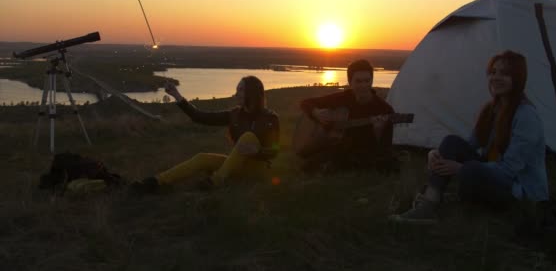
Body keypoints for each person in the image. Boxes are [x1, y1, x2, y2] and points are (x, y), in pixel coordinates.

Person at [389, 50, 548, 223]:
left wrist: (461, 169)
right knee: (451, 142)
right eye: (493, 72)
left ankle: (440, 200)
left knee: (471, 169)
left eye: (504, 73)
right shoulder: (492, 109)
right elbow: (470, 145)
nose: (496, 77)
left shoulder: (526, 116)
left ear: (518, 79)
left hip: (519, 191)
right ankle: (429, 202)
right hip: (492, 174)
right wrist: (435, 153)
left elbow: (509, 170)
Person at [131, 76, 280, 193]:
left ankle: (216, 181)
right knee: (202, 158)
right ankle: (155, 182)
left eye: (240, 90)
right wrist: (177, 96)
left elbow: (275, 150)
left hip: (258, 168)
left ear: (252, 93)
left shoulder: (270, 118)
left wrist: (258, 151)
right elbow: (200, 117)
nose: (236, 94)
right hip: (236, 165)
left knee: (248, 136)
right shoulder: (235, 114)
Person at [298, 59, 396, 173]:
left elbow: (385, 147)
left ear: (372, 80)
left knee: (387, 166)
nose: (364, 85)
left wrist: (378, 131)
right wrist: (316, 113)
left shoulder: (384, 109)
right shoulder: (343, 98)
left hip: (364, 151)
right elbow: (305, 103)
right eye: (358, 81)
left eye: (367, 81)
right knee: (307, 164)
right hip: (338, 146)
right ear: (350, 82)